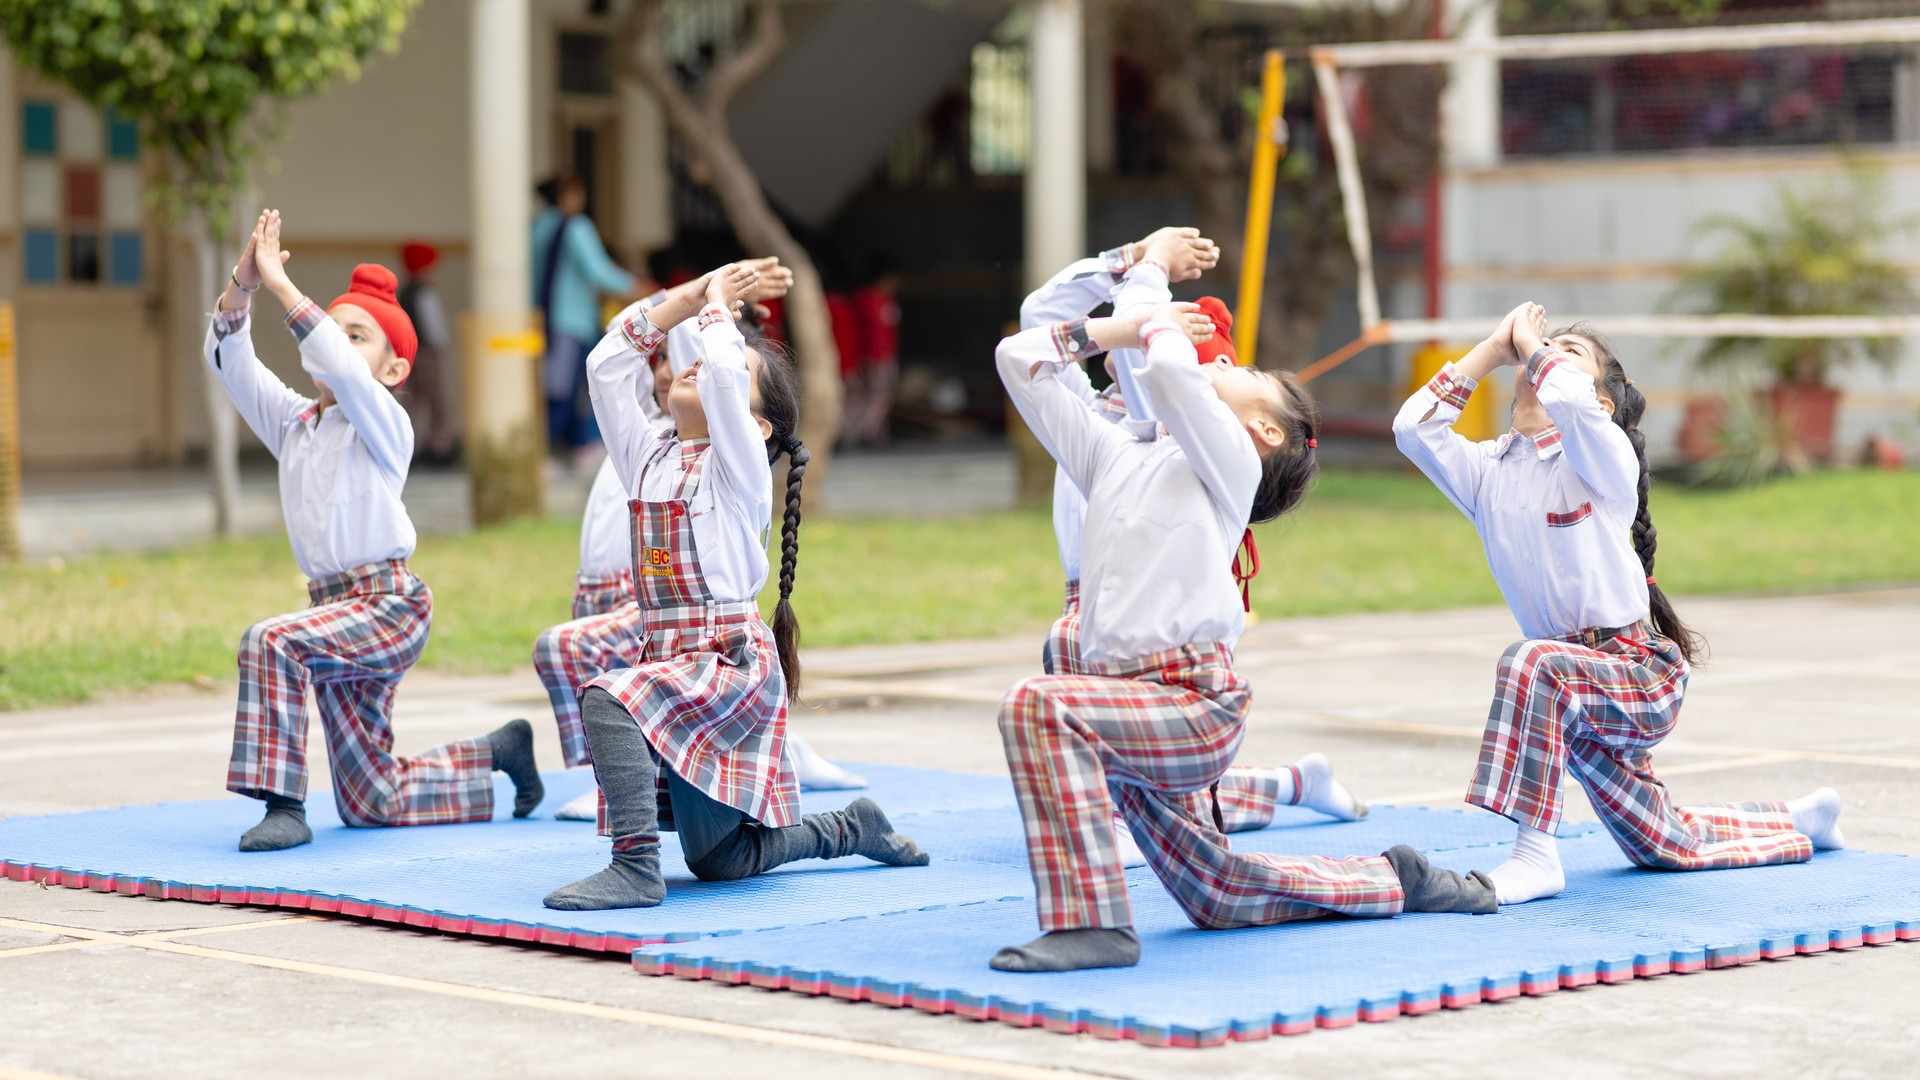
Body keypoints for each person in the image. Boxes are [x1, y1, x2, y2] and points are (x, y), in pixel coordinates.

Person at [990, 263, 1496, 973]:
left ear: (1260, 429)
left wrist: (1154, 291)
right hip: (1124, 702)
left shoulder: (1231, 464)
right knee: (1215, 892)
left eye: (1244, 370)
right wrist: (1132, 315)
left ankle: (1091, 926)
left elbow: (1170, 375)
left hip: (1191, 704)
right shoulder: (1114, 453)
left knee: (1037, 707)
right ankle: (1396, 878)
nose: (1223, 364)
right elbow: (1020, 355)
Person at [1393, 303, 1844, 905]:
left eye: (1564, 352)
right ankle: (1803, 817)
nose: (1540, 354)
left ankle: (1534, 858)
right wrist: (1492, 351)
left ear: (1602, 403)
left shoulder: (1605, 460)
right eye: (1538, 349)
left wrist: (1533, 347)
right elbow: (1412, 430)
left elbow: (1575, 407)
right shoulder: (1486, 472)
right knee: (1665, 846)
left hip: (1637, 672)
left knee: (1532, 661)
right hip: (1571, 697)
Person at [543, 264, 928, 911]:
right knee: (722, 859)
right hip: (670, 656)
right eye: (688, 356)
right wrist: (688, 298)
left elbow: (724, 378)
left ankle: (634, 867)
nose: (693, 363)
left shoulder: (738, 462)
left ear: (760, 427)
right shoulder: (648, 454)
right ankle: (850, 829)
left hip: (724, 662)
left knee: (608, 697)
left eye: (725, 366)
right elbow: (610, 360)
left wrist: (719, 306)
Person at [1017, 230, 1367, 870]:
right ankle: (1293, 784)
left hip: (1142, 633)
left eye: (1228, 368)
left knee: (1119, 752)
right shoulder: (1105, 424)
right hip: (1101, 611)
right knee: (1177, 819)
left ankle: (1110, 843)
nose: (1216, 371)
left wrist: (1150, 273)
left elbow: (1165, 365)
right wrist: (1125, 264)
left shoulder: (1185, 425)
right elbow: (1037, 329)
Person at [208, 210, 542, 853]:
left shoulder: (385, 423)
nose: (335, 340)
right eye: (334, 329)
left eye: (355, 335)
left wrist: (283, 285)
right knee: (370, 802)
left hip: (388, 606)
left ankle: (284, 804)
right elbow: (232, 362)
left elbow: (345, 373)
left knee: (270, 641)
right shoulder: (296, 423)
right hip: (332, 614)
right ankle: (499, 755)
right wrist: (244, 286)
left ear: (392, 371)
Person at [532, 173, 640, 459]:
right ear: (565, 195)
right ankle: (569, 446)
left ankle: (553, 447)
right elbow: (598, 271)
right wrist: (637, 287)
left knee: (552, 384)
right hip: (573, 321)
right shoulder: (576, 227)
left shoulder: (539, 228)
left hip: (543, 318)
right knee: (575, 387)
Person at [396, 240, 457, 468]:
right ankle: (437, 445)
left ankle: (413, 444)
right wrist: (439, 347)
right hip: (427, 352)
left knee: (415, 399)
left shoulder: (406, 291)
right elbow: (433, 327)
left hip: (412, 352)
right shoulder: (422, 292)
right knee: (436, 398)